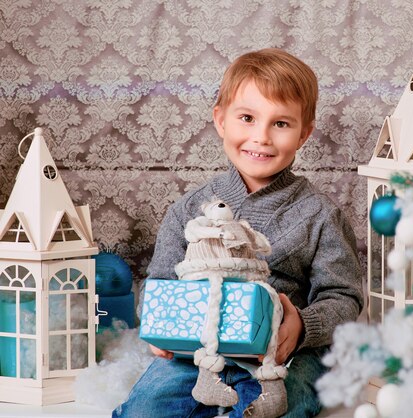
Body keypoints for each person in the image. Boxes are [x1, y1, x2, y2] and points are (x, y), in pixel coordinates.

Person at [113, 48, 364, 418]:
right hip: (200, 350)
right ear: (221, 120)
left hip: (282, 353)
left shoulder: (320, 215)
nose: (260, 137)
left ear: (304, 133)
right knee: (145, 410)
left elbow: (343, 297)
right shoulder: (188, 210)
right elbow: (161, 282)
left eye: (280, 124)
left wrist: (303, 327)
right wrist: (160, 326)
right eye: (247, 118)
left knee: (283, 408)